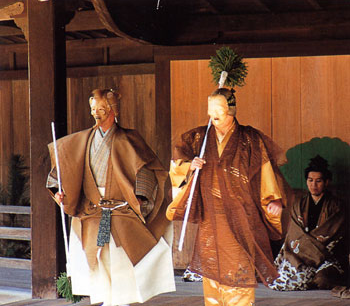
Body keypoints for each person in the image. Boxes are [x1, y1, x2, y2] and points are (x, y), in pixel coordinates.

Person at [46, 89, 175, 306]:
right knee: (98, 258)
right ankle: (106, 299)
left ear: (113, 111)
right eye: (94, 109)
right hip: (93, 209)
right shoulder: (82, 141)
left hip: (121, 208)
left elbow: (145, 168)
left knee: (123, 258)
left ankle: (122, 301)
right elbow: (64, 167)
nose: (97, 113)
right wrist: (60, 189)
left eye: (102, 109)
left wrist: (141, 197)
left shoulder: (128, 139)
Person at [167, 87, 290, 306]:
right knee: (212, 275)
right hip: (210, 218)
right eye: (210, 110)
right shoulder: (198, 138)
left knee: (238, 272)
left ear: (231, 110)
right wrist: (189, 167)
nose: (213, 116)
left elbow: (265, 171)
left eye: (219, 110)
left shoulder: (250, 139)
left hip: (241, 216)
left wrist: (273, 199)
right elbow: (178, 164)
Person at [268, 155, 347, 291]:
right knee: (280, 279)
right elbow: (293, 234)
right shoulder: (299, 204)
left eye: (318, 181)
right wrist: (301, 253)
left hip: (325, 256)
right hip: (299, 254)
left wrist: (311, 252)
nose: (313, 185)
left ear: (326, 182)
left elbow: (333, 235)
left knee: (322, 279)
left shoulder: (336, 205)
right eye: (310, 180)